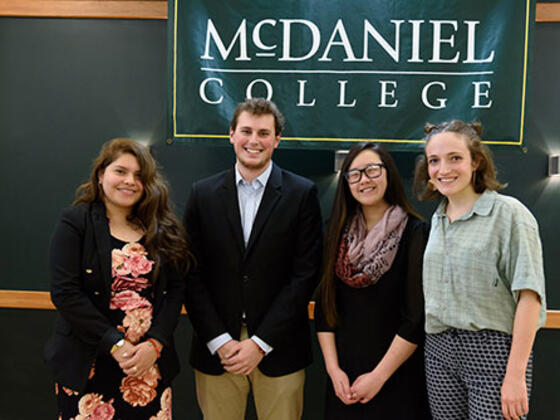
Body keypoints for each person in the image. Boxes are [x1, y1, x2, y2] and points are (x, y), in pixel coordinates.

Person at [183, 98, 322, 420]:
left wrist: (259, 343)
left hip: (279, 347)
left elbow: (305, 275)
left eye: (263, 133)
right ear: (231, 134)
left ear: (276, 140)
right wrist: (220, 341)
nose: (254, 140)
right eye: (246, 131)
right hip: (218, 350)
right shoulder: (202, 193)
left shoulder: (302, 194)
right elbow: (189, 272)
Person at [44, 138, 191, 420]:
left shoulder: (161, 227)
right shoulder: (76, 222)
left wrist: (155, 344)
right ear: (101, 175)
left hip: (147, 367)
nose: (130, 181)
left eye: (139, 175)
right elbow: (65, 293)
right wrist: (116, 344)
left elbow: (175, 290)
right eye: (120, 171)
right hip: (89, 367)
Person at [413, 121, 547, 420]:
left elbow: (530, 297)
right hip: (439, 351)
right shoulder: (438, 220)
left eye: (455, 158)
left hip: (494, 353)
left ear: (476, 161)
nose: (443, 169)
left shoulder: (509, 214)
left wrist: (515, 375)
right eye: (434, 160)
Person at [314, 142, 431, 419]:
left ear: (388, 174)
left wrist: (379, 376)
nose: (363, 180)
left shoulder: (415, 232)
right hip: (344, 380)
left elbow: (415, 318)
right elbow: (324, 308)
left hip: (396, 378)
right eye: (354, 174)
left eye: (372, 170)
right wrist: (333, 371)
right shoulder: (334, 232)